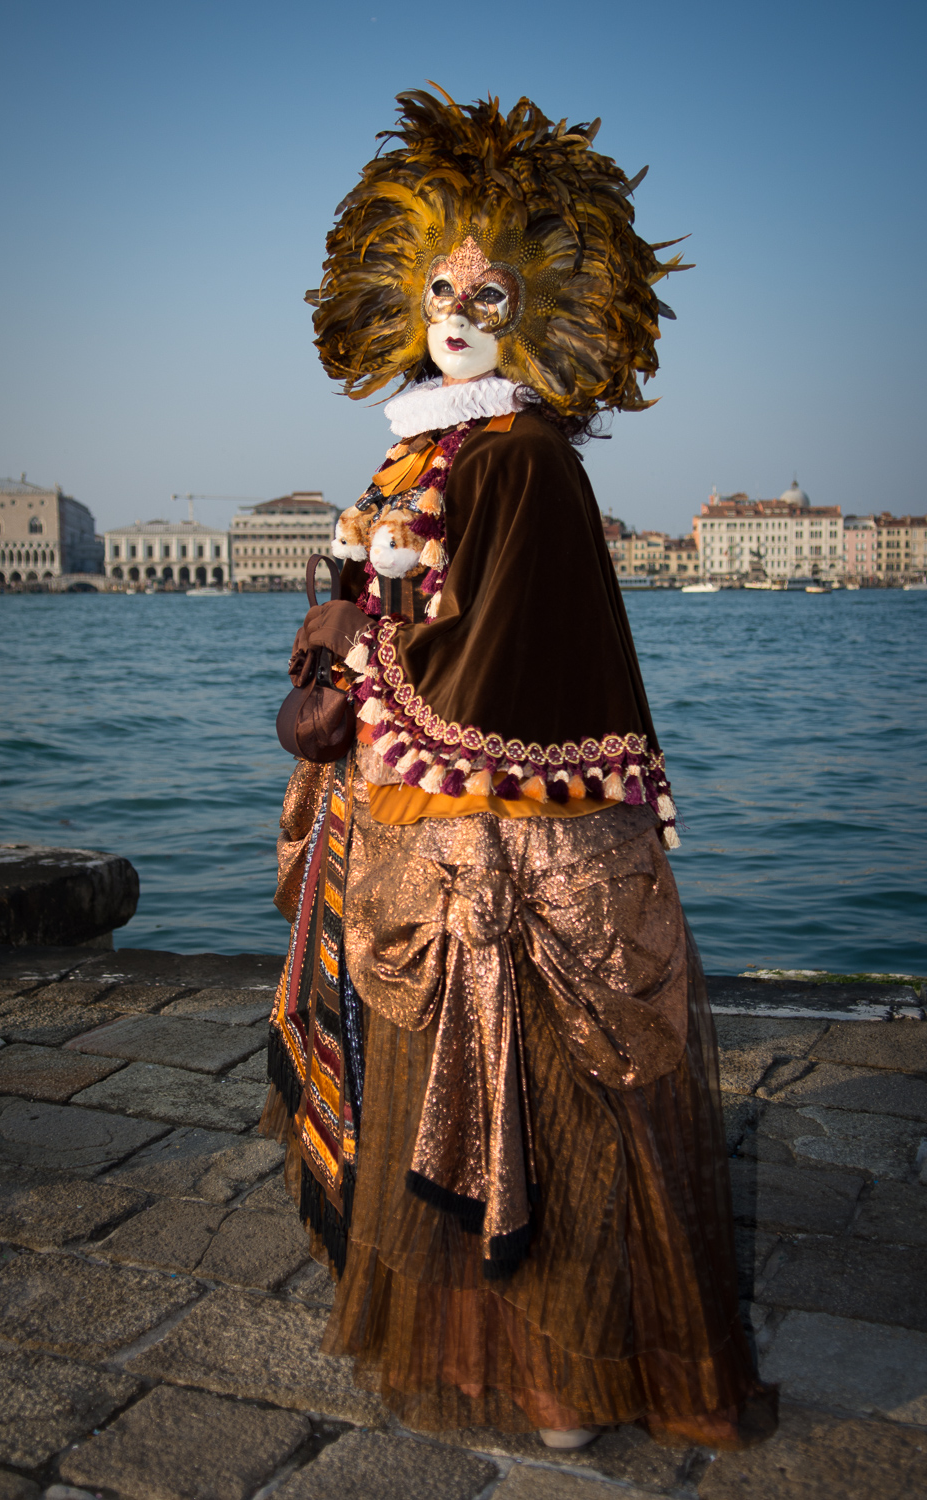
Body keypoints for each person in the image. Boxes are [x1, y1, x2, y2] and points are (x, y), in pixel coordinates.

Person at [259, 86, 774, 1451]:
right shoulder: (434, 445)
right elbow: (416, 608)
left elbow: (496, 657)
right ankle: (498, 1362)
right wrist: (350, 629)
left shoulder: (528, 453)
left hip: (517, 847)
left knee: (544, 1103)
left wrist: (354, 663)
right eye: (441, 287)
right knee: (455, 1089)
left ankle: (563, 1375)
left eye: (488, 293)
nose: (458, 312)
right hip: (428, 829)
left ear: (538, 308)